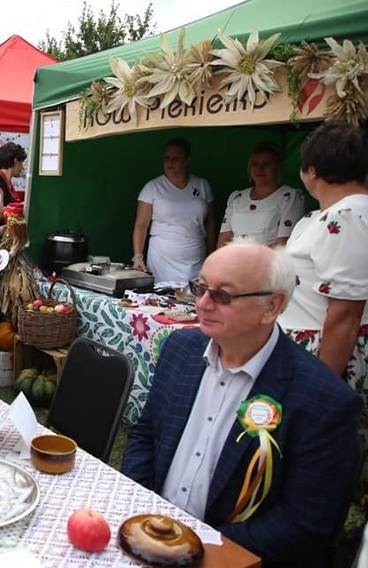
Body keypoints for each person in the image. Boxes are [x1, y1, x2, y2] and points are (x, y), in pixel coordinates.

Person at [122, 242, 361, 567]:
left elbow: (303, 525)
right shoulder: (181, 349)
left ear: (271, 306)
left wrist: (195, 549)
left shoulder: (324, 400)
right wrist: (141, 510)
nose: (203, 303)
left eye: (223, 295)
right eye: (201, 287)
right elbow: (146, 435)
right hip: (149, 535)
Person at [278, 121, 368, 464]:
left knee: (320, 452)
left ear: (310, 171)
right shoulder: (332, 214)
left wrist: (322, 385)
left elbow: (346, 313)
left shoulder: (347, 216)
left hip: (326, 349)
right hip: (310, 340)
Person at [132, 138, 215, 285]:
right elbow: (141, 225)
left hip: (196, 259)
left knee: (194, 298)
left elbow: (211, 223)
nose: (170, 163)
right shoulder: (152, 187)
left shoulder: (202, 186)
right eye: (167, 158)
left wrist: (212, 255)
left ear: (187, 160)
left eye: (175, 158)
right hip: (162, 261)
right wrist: (138, 257)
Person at [217, 143, 304, 248]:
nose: (260, 169)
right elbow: (223, 239)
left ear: (278, 167)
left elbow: (284, 243)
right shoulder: (236, 197)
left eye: (266, 164)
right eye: (255, 164)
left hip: (270, 262)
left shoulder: (290, 197)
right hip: (234, 262)